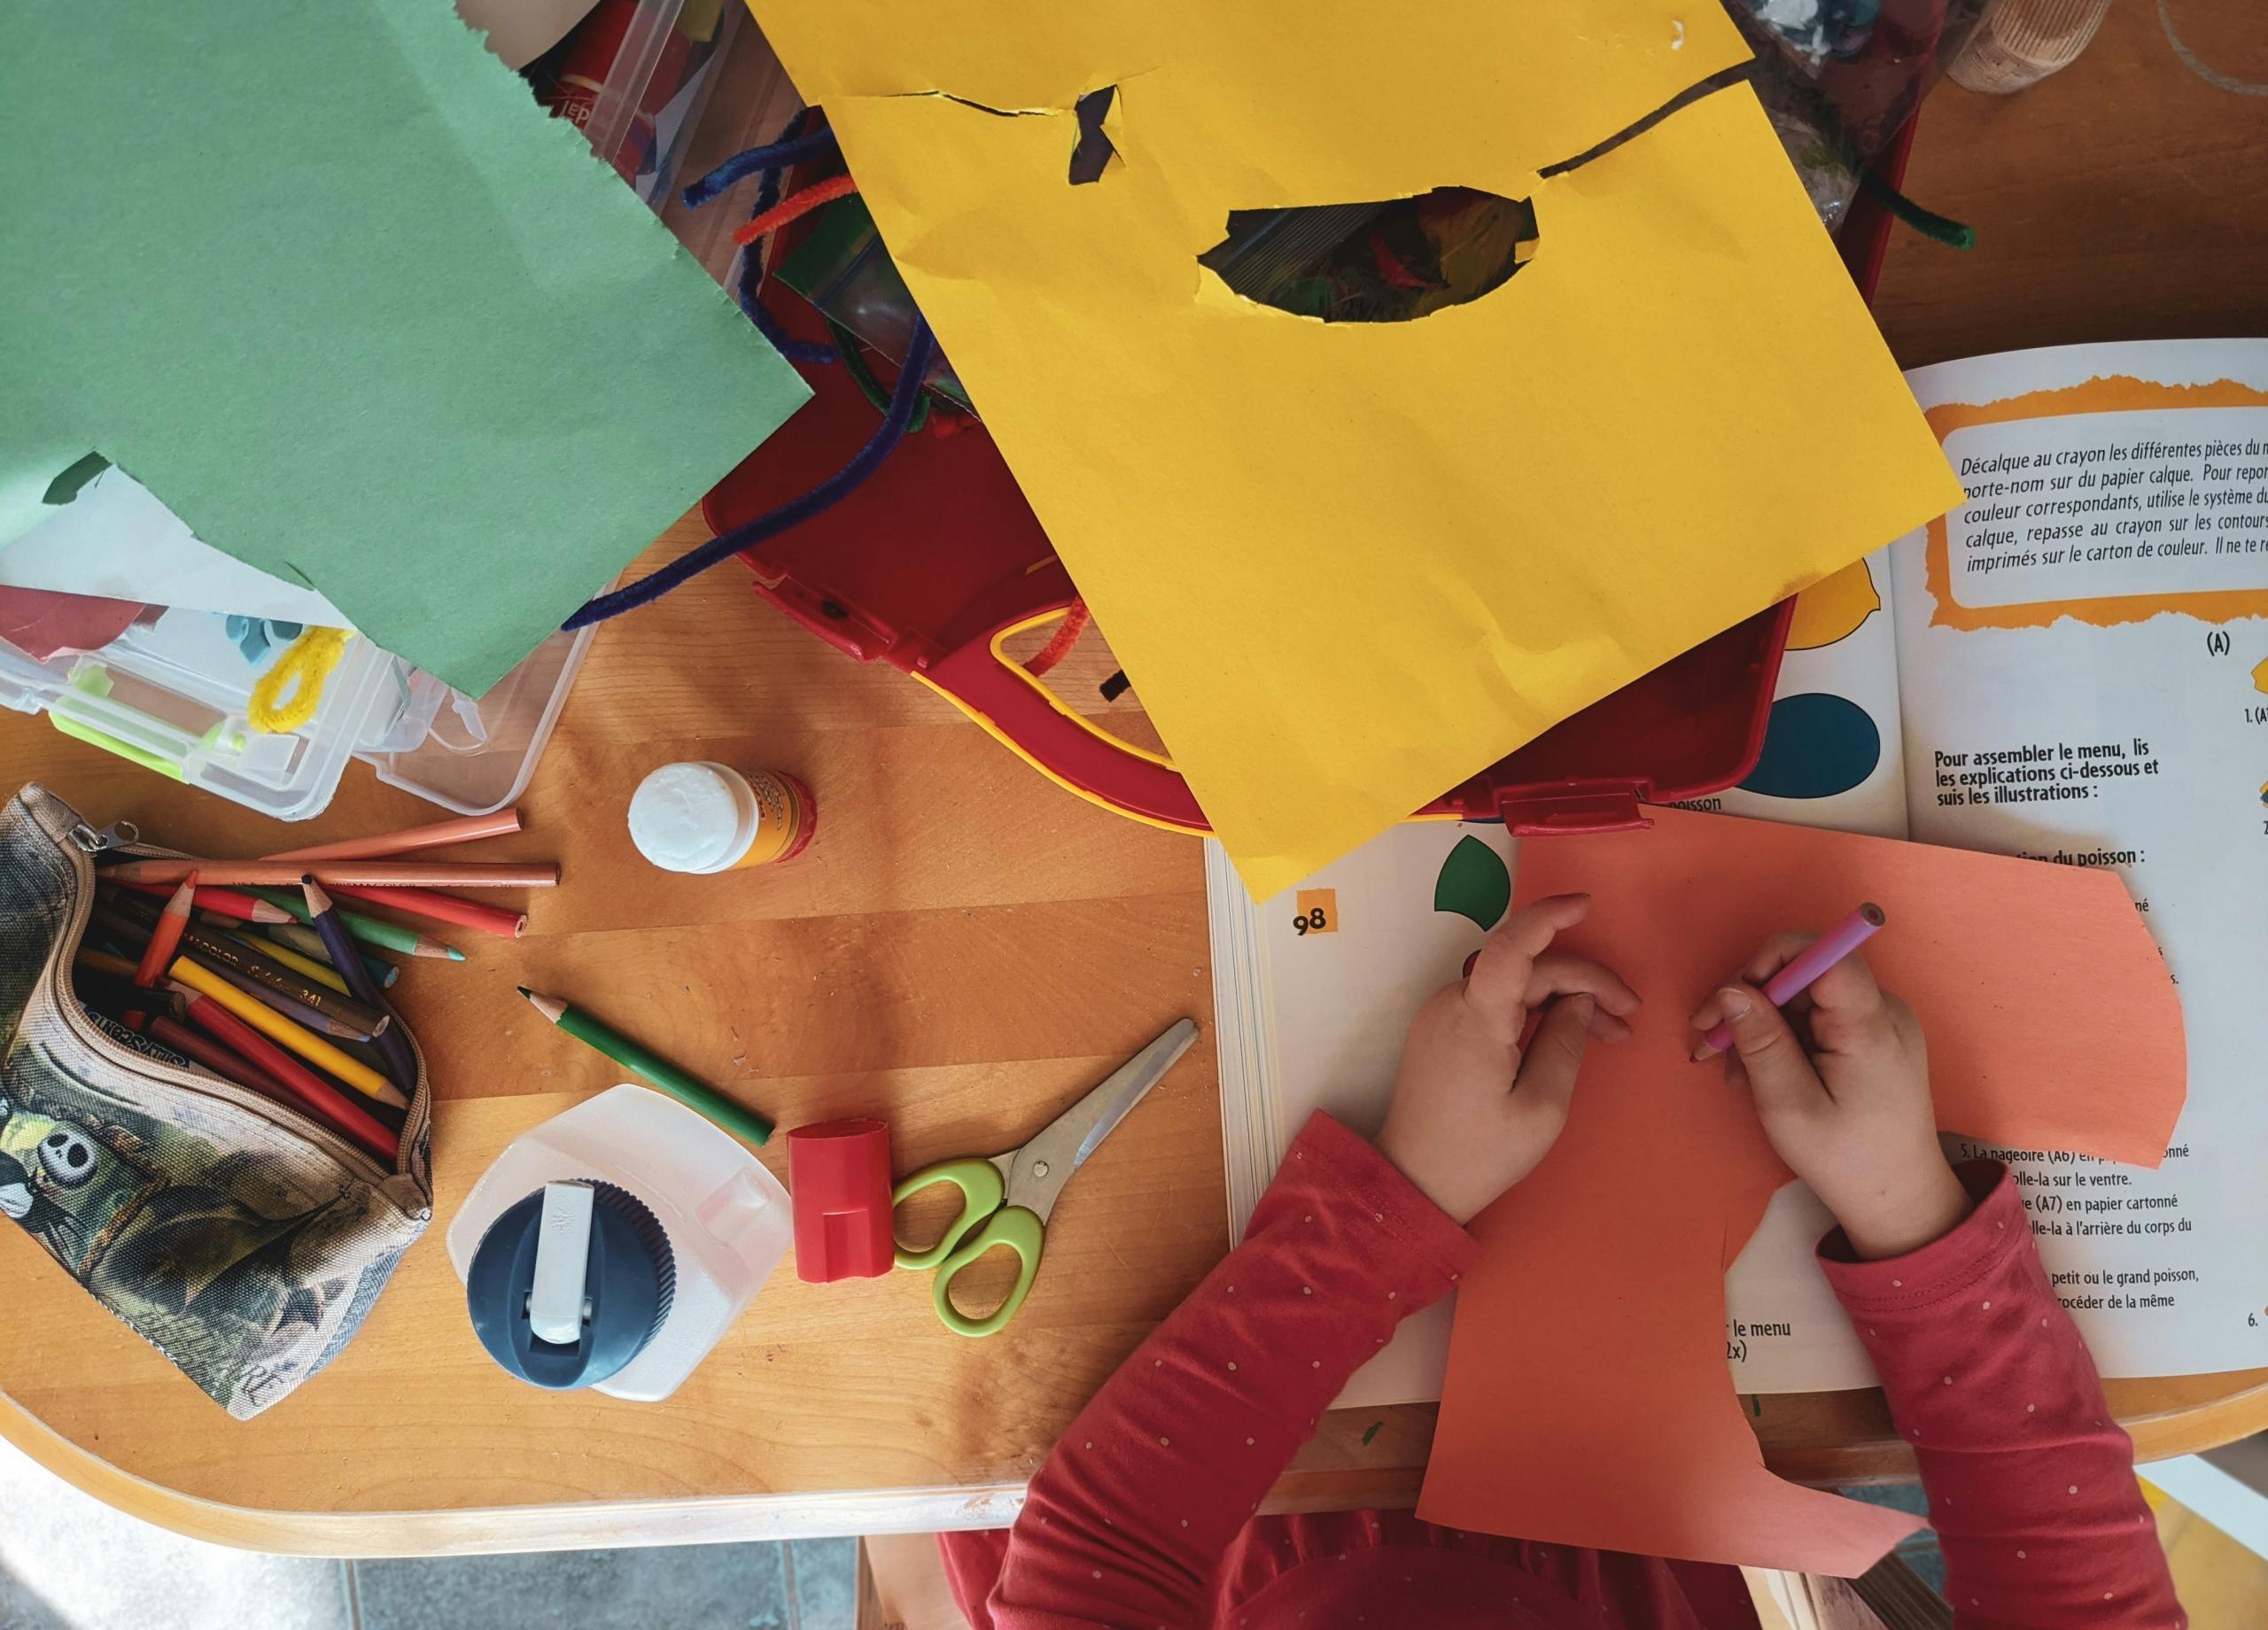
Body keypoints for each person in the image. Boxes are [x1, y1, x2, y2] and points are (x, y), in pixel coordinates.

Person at [937, 895, 2185, 1628]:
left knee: (927, 1454)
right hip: (1633, 1547)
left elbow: (1101, 1549)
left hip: (1249, 1537)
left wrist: (1392, 1206)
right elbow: (2081, 1595)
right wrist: (1910, 1216)